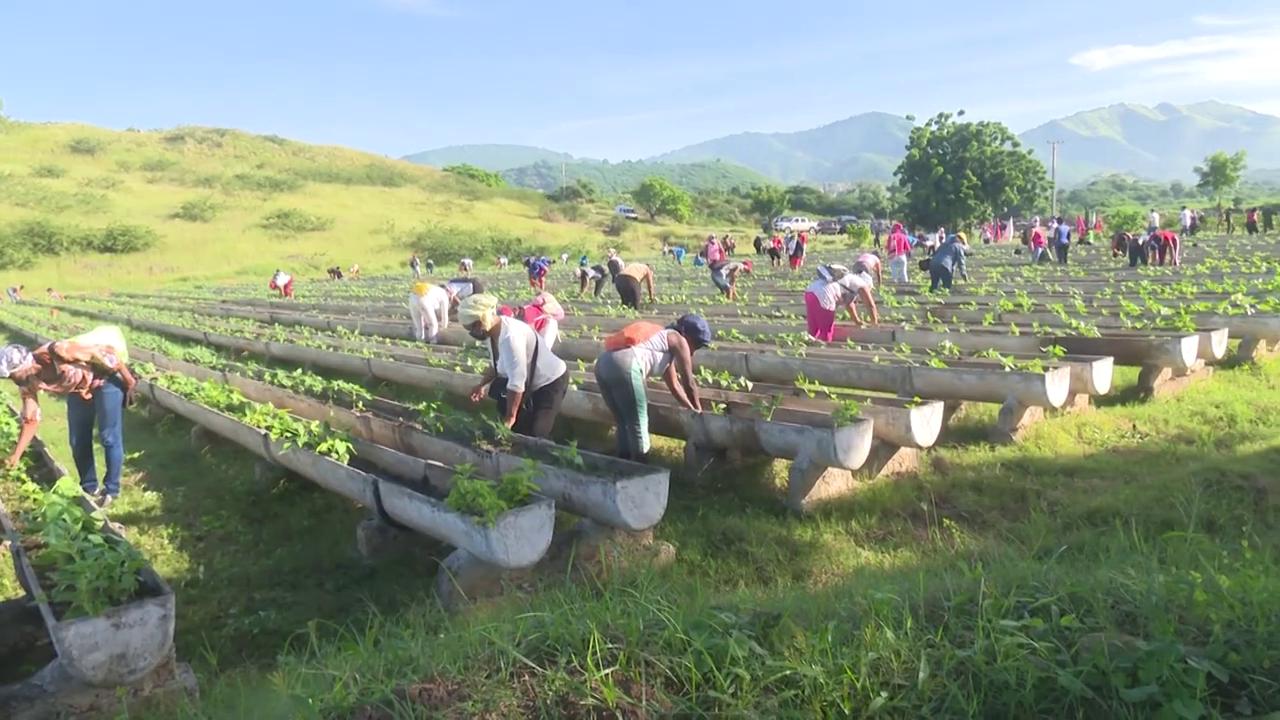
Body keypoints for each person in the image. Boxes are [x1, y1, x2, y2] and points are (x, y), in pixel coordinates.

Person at [1, 328, 138, 507]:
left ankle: (111, 490)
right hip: (78, 390)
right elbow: (31, 420)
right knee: (78, 440)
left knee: (108, 436)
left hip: (105, 379)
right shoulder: (27, 383)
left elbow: (109, 355)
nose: (13, 380)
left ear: (24, 366)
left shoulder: (60, 351)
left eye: (13, 376)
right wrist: (15, 455)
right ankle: (89, 489)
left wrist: (128, 381)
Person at [593, 315, 709, 461]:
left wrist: (692, 409)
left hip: (603, 364)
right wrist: (700, 413)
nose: (692, 353)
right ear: (687, 335)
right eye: (696, 345)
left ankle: (622, 463)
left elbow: (674, 385)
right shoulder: (678, 340)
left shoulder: (661, 342)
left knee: (623, 420)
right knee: (638, 421)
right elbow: (689, 383)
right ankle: (642, 467)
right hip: (625, 364)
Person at [459, 294, 569, 438]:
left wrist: (510, 418)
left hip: (550, 381)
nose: (471, 333)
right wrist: (482, 385)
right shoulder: (491, 333)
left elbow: (517, 383)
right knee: (520, 429)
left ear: (479, 323)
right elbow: (496, 365)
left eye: (470, 328)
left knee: (537, 433)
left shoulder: (510, 337)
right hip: (530, 381)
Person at [804, 264, 878, 341]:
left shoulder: (849, 280)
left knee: (813, 328)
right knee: (826, 329)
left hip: (810, 291)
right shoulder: (862, 284)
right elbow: (870, 305)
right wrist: (874, 324)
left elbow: (849, 304)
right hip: (825, 294)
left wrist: (857, 321)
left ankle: (810, 346)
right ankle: (824, 348)